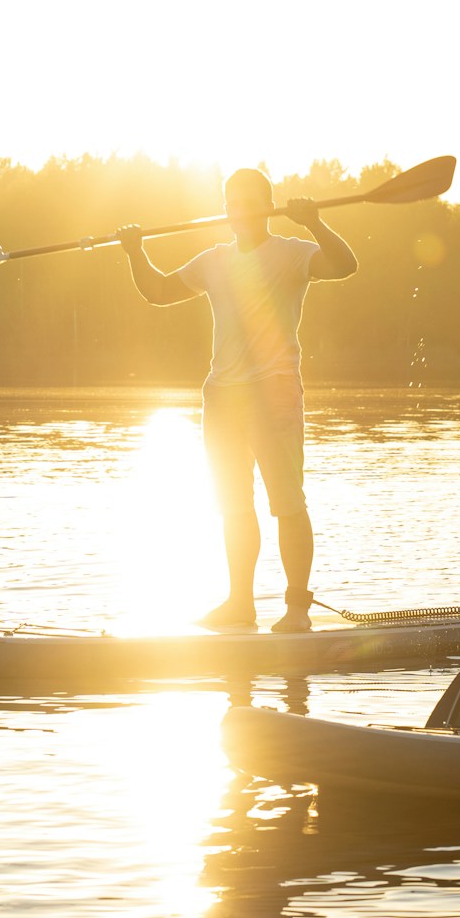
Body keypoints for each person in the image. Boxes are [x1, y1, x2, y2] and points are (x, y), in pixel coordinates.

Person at [115, 168, 359, 633]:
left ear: (268, 205)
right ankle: (240, 605)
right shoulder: (214, 260)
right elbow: (160, 291)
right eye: (232, 201)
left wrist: (315, 223)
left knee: (287, 502)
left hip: (275, 392)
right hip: (222, 396)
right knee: (233, 505)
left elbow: (346, 265)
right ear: (226, 207)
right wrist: (135, 251)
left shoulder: (291, 253)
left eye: (249, 200)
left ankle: (296, 611)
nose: (239, 209)